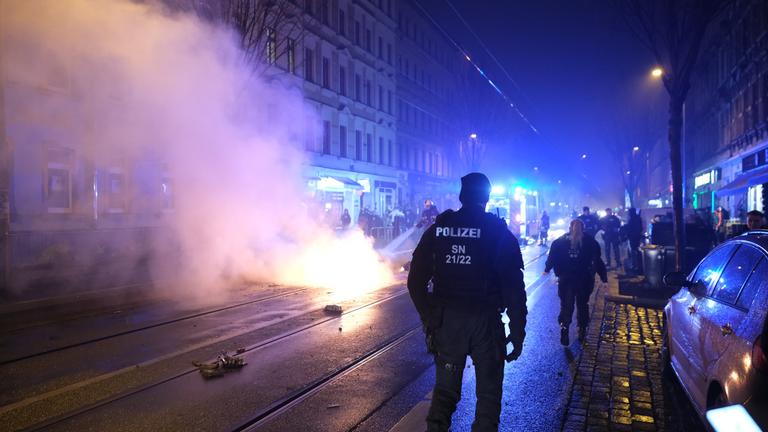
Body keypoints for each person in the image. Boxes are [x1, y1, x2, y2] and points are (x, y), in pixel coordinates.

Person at [408, 172, 527, 432]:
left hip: (449, 324)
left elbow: (415, 282)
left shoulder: (440, 228)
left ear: (462, 196)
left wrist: (431, 317)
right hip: (486, 324)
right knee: (488, 396)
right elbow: (514, 288)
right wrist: (517, 332)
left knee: (444, 395)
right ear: (486, 197)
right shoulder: (497, 231)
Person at [543, 219, 607, 346]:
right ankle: (582, 329)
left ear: (569, 227)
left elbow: (552, 257)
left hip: (566, 279)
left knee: (566, 305)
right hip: (584, 279)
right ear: (583, 228)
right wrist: (604, 278)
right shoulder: (590, 242)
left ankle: (564, 327)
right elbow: (597, 261)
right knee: (582, 305)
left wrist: (547, 269)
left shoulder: (559, 242)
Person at [626, 208, 644, 272]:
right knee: (637, 251)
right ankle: (639, 265)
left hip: (633, 237)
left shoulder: (631, 219)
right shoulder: (638, 218)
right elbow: (641, 228)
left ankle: (635, 265)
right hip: (637, 236)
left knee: (633, 251)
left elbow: (629, 228)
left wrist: (628, 235)